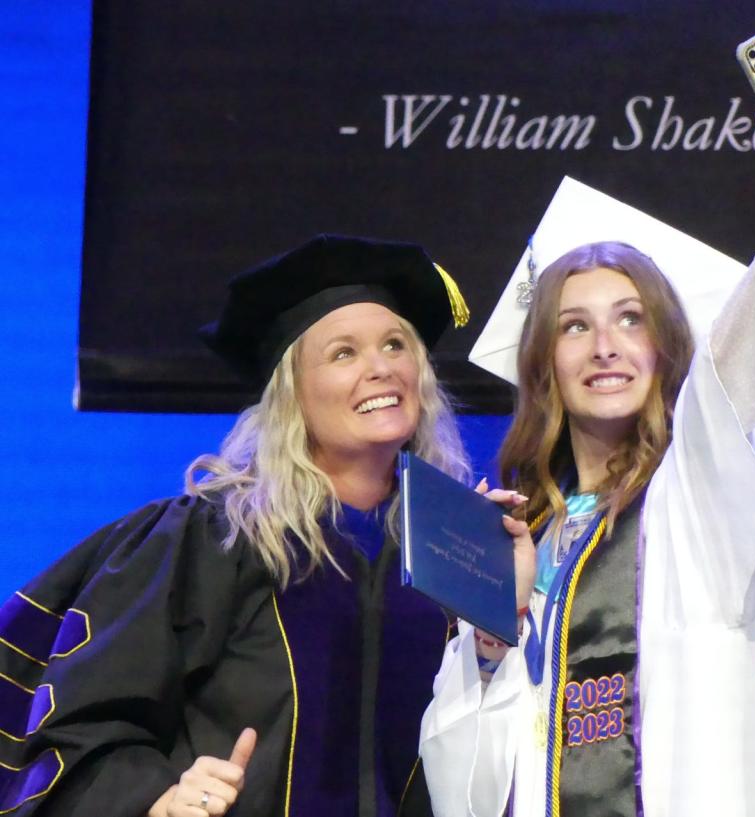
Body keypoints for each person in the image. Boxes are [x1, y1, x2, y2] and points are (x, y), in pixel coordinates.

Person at [420, 60, 755, 817]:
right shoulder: (528, 533)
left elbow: (736, 379)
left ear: (666, 350)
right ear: (546, 365)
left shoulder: (697, 502)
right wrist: (491, 629)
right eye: (574, 325)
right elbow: (466, 780)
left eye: (631, 318)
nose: (606, 347)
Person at [0, 235, 472, 817]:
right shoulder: (212, 538)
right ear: (291, 395)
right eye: (343, 353)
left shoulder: (452, 552)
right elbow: (86, 724)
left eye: (396, 345)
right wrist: (160, 798)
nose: (380, 368)